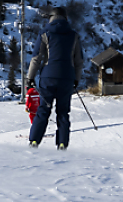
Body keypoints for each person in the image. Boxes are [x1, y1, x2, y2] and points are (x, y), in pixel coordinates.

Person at [25, 8, 83, 150]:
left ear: (51, 18)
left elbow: (36, 58)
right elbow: (79, 61)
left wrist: (30, 77)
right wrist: (76, 78)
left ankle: (34, 141)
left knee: (43, 109)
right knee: (63, 112)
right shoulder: (74, 36)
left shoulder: (45, 34)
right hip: (67, 77)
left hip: (48, 77)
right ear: (65, 18)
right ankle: (62, 143)